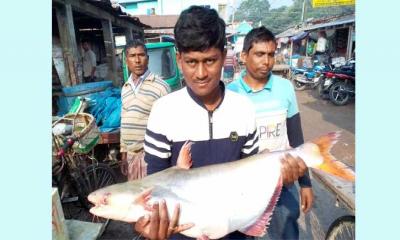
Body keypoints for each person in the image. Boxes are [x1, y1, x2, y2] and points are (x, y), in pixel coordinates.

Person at [133, 6, 308, 240]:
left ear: (224, 57)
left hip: (235, 231)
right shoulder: (163, 112)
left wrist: (279, 178)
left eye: (210, 60)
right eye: (192, 62)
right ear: (179, 59)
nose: (201, 73)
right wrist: (148, 227)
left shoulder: (243, 109)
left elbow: (250, 179)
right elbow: (154, 186)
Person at [227, 26, 314, 240]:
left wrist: (305, 183)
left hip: (283, 183)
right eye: (259, 54)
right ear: (244, 56)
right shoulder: (230, 93)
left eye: (271, 54)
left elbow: (296, 138)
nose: (266, 61)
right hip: (245, 188)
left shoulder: (285, 88)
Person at [120, 39, 171, 181]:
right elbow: (123, 119)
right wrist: (124, 153)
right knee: (137, 198)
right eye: (132, 56)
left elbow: (169, 124)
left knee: (152, 196)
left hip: (150, 156)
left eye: (141, 55)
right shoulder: (125, 88)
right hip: (131, 156)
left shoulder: (161, 87)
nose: (137, 60)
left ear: (147, 59)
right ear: (126, 60)